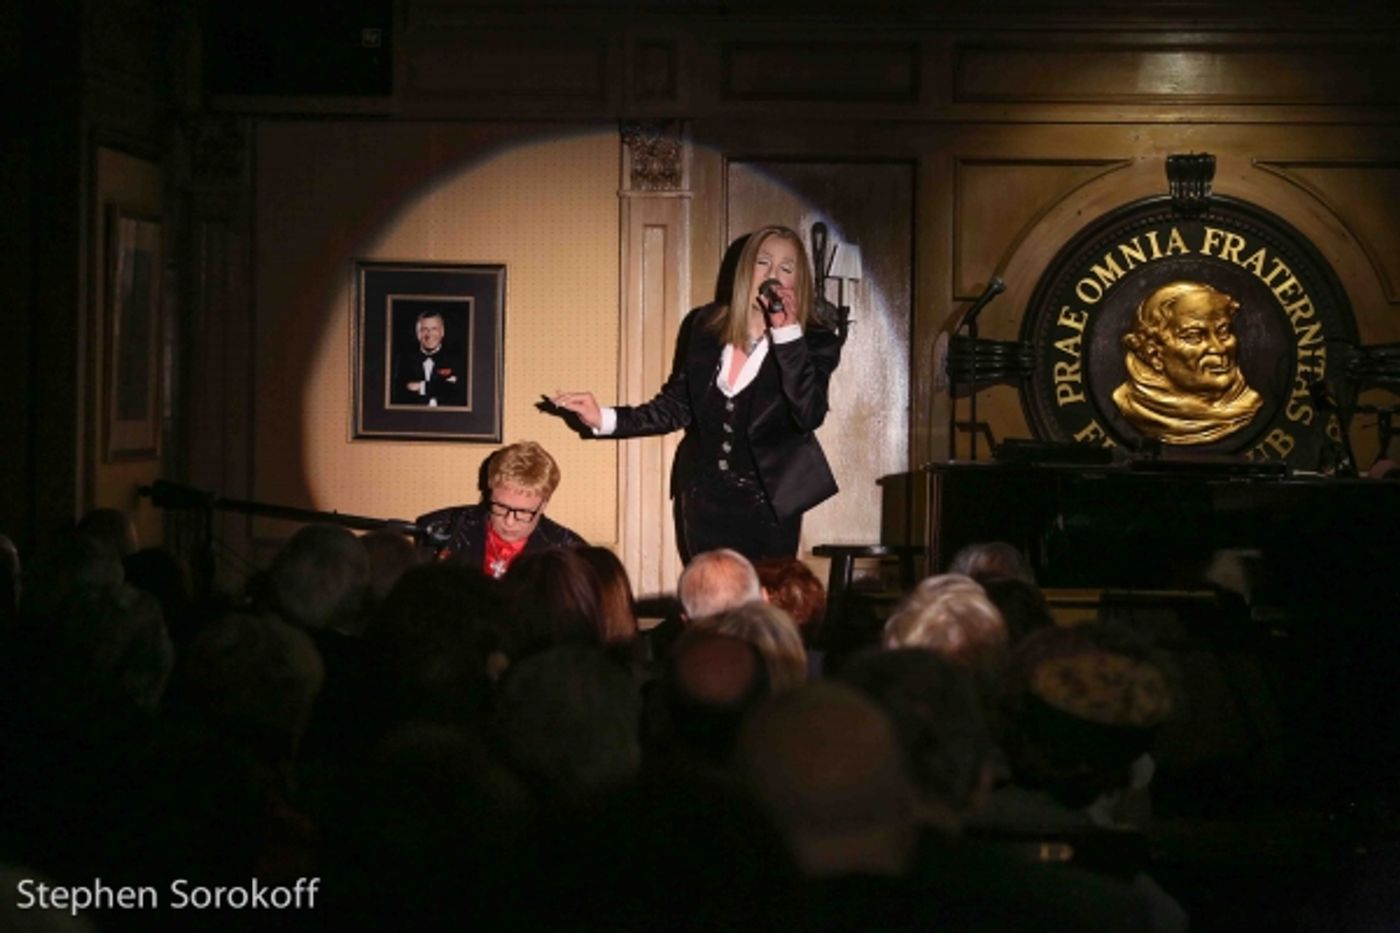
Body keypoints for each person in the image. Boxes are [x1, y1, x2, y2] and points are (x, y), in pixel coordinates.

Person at [551, 224, 846, 563]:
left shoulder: (815, 341)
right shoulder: (705, 325)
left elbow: (809, 414)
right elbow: (677, 405)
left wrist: (787, 335)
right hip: (704, 500)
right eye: (763, 262)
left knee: (763, 596)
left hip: (770, 503)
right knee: (707, 593)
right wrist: (602, 418)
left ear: (798, 282)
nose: (773, 276)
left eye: (786, 268)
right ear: (745, 270)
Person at [1112, 281, 1262, 444]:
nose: (1219, 348)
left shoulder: (1249, 402)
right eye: (1193, 336)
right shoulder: (1129, 404)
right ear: (1154, 354)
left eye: (1223, 332)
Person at [415, 440, 585, 579]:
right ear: (489, 492)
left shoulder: (571, 552)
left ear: (544, 504)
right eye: (500, 506)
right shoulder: (441, 529)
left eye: (523, 512)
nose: (509, 521)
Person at [392, 309, 466, 406]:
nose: (429, 334)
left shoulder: (456, 359)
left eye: (434, 329)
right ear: (418, 333)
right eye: (424, 329)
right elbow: (398, 393)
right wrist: (442, 386)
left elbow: (458, 391)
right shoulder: (404, 360)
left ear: (442, 332)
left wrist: (421, 386)